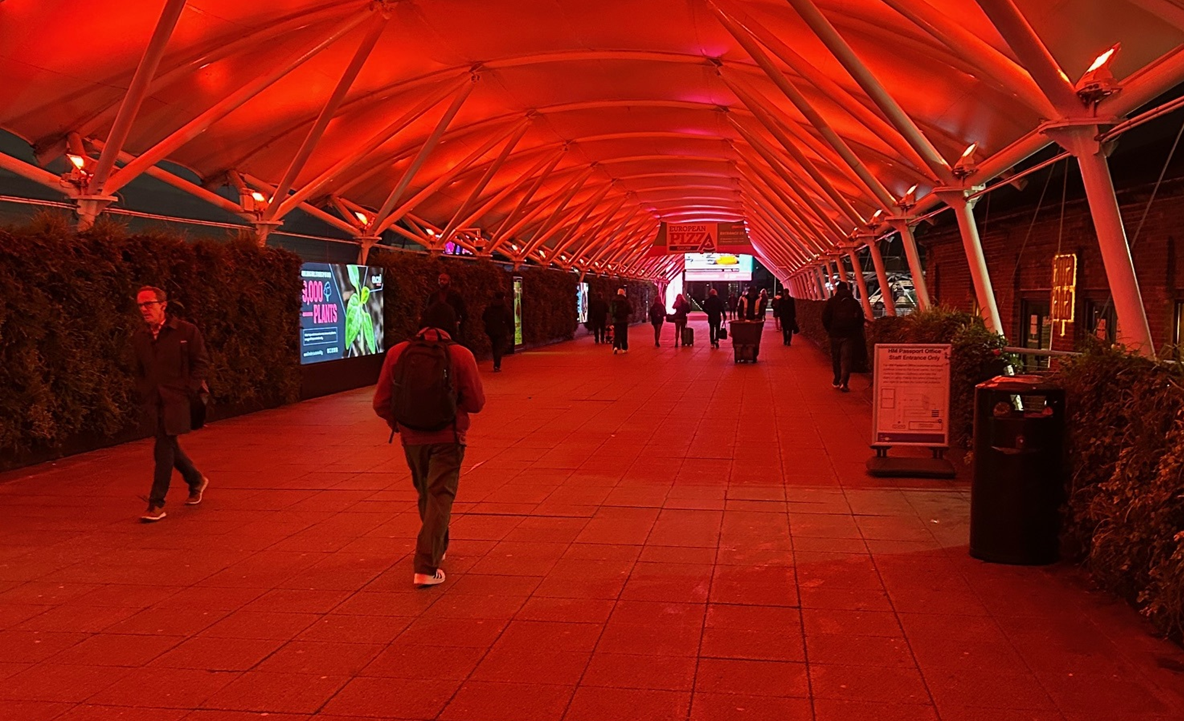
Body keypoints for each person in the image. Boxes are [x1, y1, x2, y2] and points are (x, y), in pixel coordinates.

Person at [373, 303, 486, 587]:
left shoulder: (398, 353)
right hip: (448, 437)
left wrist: (399, 424)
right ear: (453, 325)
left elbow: (380, 402)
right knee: (440, 495)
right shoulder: (461, 355)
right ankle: (426, 565)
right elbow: (476, 403)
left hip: (411, 439)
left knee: (426, 493)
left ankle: (438, 546)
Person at [132, 286, 210, 523]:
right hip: (153, 400)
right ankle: (195, 479)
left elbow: (201, 362)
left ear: (163, 305)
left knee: (163, 447)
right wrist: (144, 391)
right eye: (140, 305)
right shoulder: (140, 337)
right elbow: (139, 369)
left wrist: (188, 389)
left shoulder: (185, 331)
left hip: (177, 399)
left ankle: (156, 503)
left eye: (149, 304)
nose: (144, 309)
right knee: (168, 444)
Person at [821, 281, 865, 392]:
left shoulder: (832, 302)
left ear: (837, 290)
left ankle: (836, 379)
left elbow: (825, 318)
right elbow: (860, 319)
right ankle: (844, 382)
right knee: (846, 358)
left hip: (835, 334)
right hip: (849, 334)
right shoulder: (854, 302)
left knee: (836, 357)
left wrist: (829, 329)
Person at [425, 272, 468, 344]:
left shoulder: (455, 295)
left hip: (450, 325)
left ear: (449, 281)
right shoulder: (433, 295)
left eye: (444, 280)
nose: (441, 281)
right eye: (440, 279)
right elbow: (428, 309)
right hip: (436, 325)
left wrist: (458, 322)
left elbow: (463, 311)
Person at [482, 290, 511, 372]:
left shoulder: (489, 308)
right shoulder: (505, 309)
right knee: (499, 347)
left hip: (490, 330)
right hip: (502, 331)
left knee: (494, 346)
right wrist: (512, 331)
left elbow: (484, 317)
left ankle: (496, 362)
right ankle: (497, 364)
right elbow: (510, 320)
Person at [610, 287, 632, 354]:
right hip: (624, 320)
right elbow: (630, 310)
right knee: (624, 334)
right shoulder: (626, 300)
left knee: (617, 334)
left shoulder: (613, 300)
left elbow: (611, 310)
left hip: (616, 320)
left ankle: (616, 347)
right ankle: (624, 348)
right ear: (623, 293)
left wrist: (613, 317)